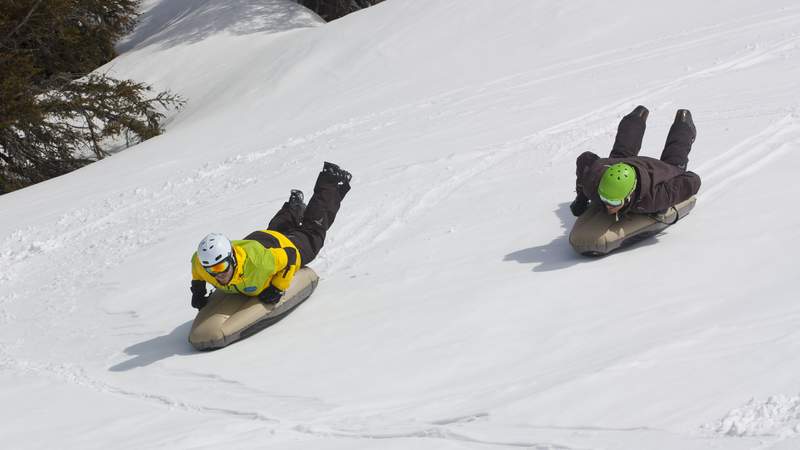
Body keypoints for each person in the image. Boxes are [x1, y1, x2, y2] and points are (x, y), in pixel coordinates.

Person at [189, 161, 352, 309]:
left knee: (313, 230)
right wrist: (198, 289)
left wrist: (278, 287)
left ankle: (332, 179)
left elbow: (291, 255)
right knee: (275, 229)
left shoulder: (260, 263)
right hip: (258, 240)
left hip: (279, 248)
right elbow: (196, 264)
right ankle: (294, 206)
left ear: (231, 258)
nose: (218, 274)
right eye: (211, 270)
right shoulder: (203, 264)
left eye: (221, 267)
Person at [570, 105, 701, 219]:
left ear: (627, 196)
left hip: (657, 170)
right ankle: (636, 117)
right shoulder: (593, 180)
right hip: (619, 164)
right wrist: (582, 199)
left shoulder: (652, 198)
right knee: (620, 153)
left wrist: (663, 206)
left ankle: (684, 123)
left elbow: (693, 180)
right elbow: (585, 159)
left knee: (675, 162)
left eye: (614, 202)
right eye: (605, 198)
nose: (608, 206)